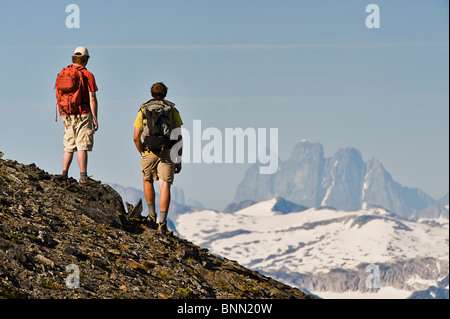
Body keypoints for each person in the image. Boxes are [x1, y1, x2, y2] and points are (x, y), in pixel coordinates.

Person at [133, 82, 183, 233]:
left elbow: (135, 137)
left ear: (151, 93)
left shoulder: (143, 110)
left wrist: (142, 151)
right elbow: (178, 137)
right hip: (167, 151)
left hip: (148, 151)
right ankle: (162, 222)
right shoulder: (172, 110)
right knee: (164, 185)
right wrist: (178, 159)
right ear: (165, 93)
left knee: (147, 180)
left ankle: (151, 216)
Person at [58, 46, 99, 185]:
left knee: (68, 146)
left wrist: (63, 114)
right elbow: (92, 97)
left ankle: (64, 174)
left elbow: (60, 96)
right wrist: (95, 117)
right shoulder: (88, 75)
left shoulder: (64, 73)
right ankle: (83, 176)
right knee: (82, 146)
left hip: (68, 114)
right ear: (86, 59)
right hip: (83, 113)